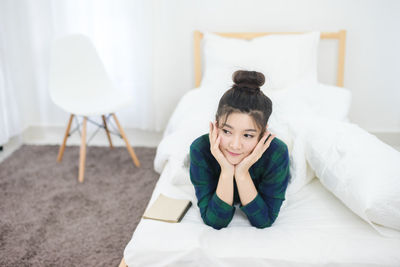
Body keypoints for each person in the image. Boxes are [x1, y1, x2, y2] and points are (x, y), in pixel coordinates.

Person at [189, 70, 291, 230]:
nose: (235, 145)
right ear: (216, 126)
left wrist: (242, 173)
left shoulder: (276, 153)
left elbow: (264, 220)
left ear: (263, 134)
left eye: (248, 135)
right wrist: (227, 171)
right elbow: (215, 221)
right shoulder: (200, 150)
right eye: (227, 131)